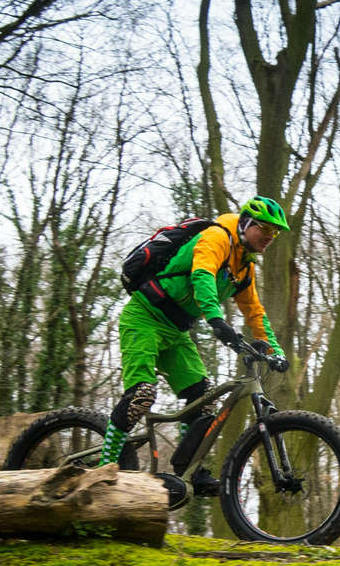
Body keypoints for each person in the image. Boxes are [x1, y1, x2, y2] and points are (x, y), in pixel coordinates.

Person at [98, 196, 292, 493]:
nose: (269, 237)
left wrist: (275, 351)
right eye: (265, 229)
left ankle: (187, 472)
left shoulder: (244, 268)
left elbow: (255, 311)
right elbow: (202, 275)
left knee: (202, 397)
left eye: (274, 233)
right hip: (144, 317)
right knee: (142, 395)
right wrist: (216, 320)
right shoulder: (216, 237)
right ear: (246, 224)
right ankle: (103, 470)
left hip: (177, 330)